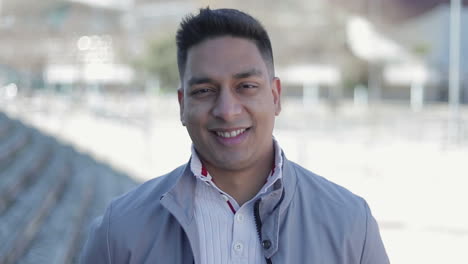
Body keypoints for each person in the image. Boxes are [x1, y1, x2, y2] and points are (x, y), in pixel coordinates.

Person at [80, 7, 389, 264]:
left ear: (275, 95)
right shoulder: (119, 231)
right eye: (204, 91)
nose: (227, 110)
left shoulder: (350, 223)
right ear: (182, 104)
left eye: (246, 86)